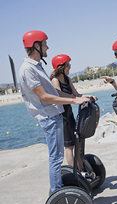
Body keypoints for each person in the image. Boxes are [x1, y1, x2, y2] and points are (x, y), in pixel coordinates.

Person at [19, 30, 90, 193]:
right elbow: (44, 97)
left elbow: (54, 93)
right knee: (56, 158)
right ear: (36, 46)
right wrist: (73, 100)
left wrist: (78, 97)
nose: (47, 47)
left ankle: (58, 189)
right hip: (49, 118)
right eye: (44, 44)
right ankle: (57, 192)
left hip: (54, 116)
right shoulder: (27, 69)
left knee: (57, 158)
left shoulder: (36, 67)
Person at [50, 54, 97, 169]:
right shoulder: (55, 80)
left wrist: (89, 96)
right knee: (69, 147)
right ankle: (73, 173)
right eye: (68, 65)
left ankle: (81, 170)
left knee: (78, 143)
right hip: (62, 117)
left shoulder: (67, 79)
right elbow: (60, 94)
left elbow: (77, 94)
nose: (70, 67)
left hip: (70, 115)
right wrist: (75, 99)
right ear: (60, 67)